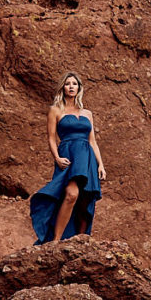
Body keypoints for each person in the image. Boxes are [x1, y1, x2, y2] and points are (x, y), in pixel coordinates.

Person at [29, 71, 106, 244]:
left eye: (74, 84)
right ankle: (55, 240)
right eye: (68, 84)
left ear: (79, 88)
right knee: (71, 194)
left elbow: (92, 141)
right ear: (63, 88)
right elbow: (51, 138)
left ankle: (80, 241)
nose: (71, 87)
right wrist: (57, 158)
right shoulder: (55, 110)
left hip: (87, 158)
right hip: (68, 154)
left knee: (85, 200)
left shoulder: (87, 113)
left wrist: (100, 165)